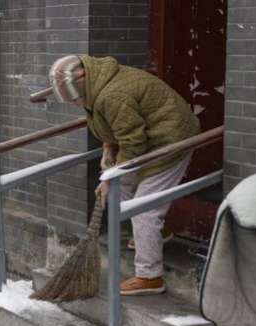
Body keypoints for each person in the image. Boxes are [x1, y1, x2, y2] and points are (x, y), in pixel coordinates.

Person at [48, 54, 200, 295]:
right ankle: (156, 234)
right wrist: (108, 149)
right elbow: (116, 126)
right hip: (147, 142)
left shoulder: (111, 95)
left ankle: (150, 276)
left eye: (76, 99)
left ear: (84, 83)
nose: (76, 104)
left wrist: (111, 177)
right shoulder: (99, 85)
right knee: (122, 193)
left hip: (170, 141)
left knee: (144, 210)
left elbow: (132, 140)